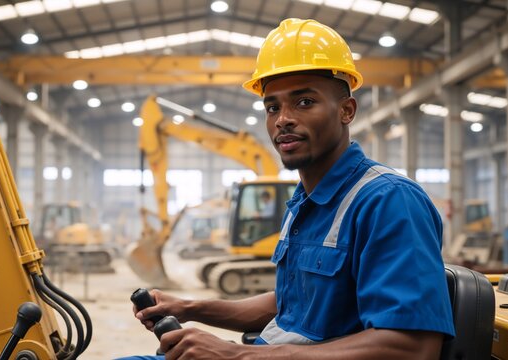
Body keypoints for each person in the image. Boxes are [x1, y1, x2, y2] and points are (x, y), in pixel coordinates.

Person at [118, 18, 454, 360]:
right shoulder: (303, 204)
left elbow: (413, 348)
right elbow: (291, 305)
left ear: (346, 111)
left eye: (304, 102)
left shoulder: (388, 201)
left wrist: (237, 356)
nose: (283, 119)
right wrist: (191, 307)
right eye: (272, 107)